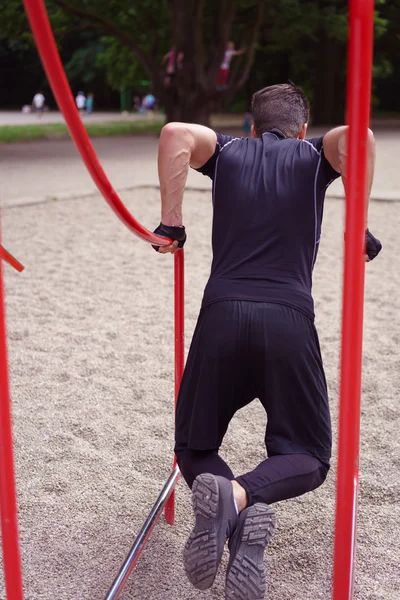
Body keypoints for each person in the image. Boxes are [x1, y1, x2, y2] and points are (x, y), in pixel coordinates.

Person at [152, 83, 382, 600]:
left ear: (249, 127)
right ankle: (242, 495)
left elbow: (174, 134)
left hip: (222, 317)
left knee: (193, 447)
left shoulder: (229, 153)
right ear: (303, 129)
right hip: (288, 321)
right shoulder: (314, 157)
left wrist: (172, 222)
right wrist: (359, 225)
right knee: (309, 455)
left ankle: (228, 500)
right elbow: (360, 137)